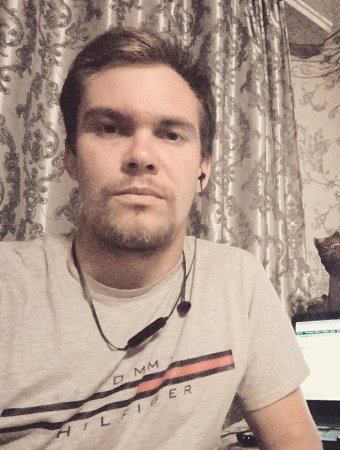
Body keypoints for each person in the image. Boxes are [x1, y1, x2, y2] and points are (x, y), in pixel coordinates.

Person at [0, 28, 321, 449]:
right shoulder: (9, 287)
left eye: (171, 134)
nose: (141, 156)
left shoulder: (237, 280)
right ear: (71, 157)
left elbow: (295, 438)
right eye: (110, 128)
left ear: (204, 166)